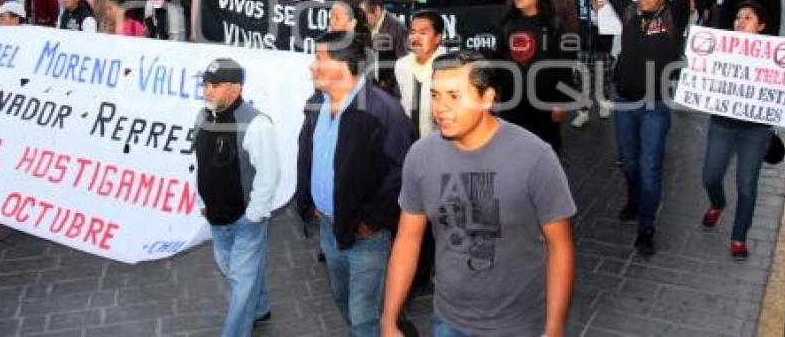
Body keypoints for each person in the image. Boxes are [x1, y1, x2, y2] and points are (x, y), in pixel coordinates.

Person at [380, 50, 576, 337]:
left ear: (487, 99)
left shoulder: (535, 157)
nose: (440, 108)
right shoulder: (420, 157)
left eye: (454, 96)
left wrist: (554, 328)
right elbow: (408, 239)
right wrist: (389, 318)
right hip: (448, 321)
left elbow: (560, 247)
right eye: (435, 95)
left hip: (520, 325)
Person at [295, 32, 415, 337]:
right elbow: (308, 156)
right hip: (328, 228)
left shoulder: (383, 111)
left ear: (345, 65)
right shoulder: (315, 104)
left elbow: (402, 173)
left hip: (365, 235)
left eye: (319, 58)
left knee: (362, 316)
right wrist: (310, 205)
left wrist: (372, 220)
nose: (311, 66)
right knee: (343, 298)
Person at [701, 1, 785, 260]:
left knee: (746, 186)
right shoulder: (720, 51)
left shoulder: (775, 58)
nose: (740, 21)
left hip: (756, 131)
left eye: (748, 18)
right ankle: (717, 204)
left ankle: (739, 236)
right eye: (738, 17)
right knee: (710, 177)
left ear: (761, 26)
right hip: (723, 124)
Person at [191, 58, 279, 336]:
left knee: (241, 280)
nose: (208, 91)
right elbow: (198, 162)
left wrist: (254, 214)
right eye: (206, 84)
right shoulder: (202, 116)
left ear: (236, 88)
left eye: (215, 86)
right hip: (216, 217)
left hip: (245, 220)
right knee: (236, 270)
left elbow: (269, 174)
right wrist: (202, 202)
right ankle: (261, 306)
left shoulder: (257, 124)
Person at [600, 0, 687, 257]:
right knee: (628, 162)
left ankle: (646, 228)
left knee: (649, 170)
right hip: (624, 102)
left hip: (654, 108)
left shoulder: (674, 17)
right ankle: (634, 200)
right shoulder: (629, 12)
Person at [498, 0, 574, 153]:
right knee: (512, 152)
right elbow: (498, 58)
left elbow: (563, 65)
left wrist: (560, 102)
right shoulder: (507, 24)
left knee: (544, 152)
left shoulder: (553, 25)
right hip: (512, 103)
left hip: (543, 104)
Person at [570, 0, 614, 128]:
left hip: (602, 42)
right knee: (582, 79)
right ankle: (582, 112)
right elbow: (573, 15)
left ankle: (603, 102)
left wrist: (599, 13)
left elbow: (615, 18)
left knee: (603, 76)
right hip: (583, 42)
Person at [394, 10, 446, 139]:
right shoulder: (401, 65)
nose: (416, 38)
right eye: (412, 32)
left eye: (423, 33)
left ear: (437, 38)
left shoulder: (449, 67)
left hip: (441, 142)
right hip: (407, 143)